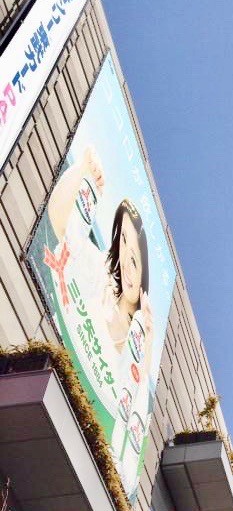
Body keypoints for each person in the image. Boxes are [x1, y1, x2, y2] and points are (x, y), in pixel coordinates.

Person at [47, 145, 154, 369]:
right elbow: (61, 222)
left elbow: (135, 392)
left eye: (134, 261)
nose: (124, 262)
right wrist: (82, 172)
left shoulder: (135, 342)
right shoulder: (99, 276)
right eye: (122, 240)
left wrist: (148, 346)